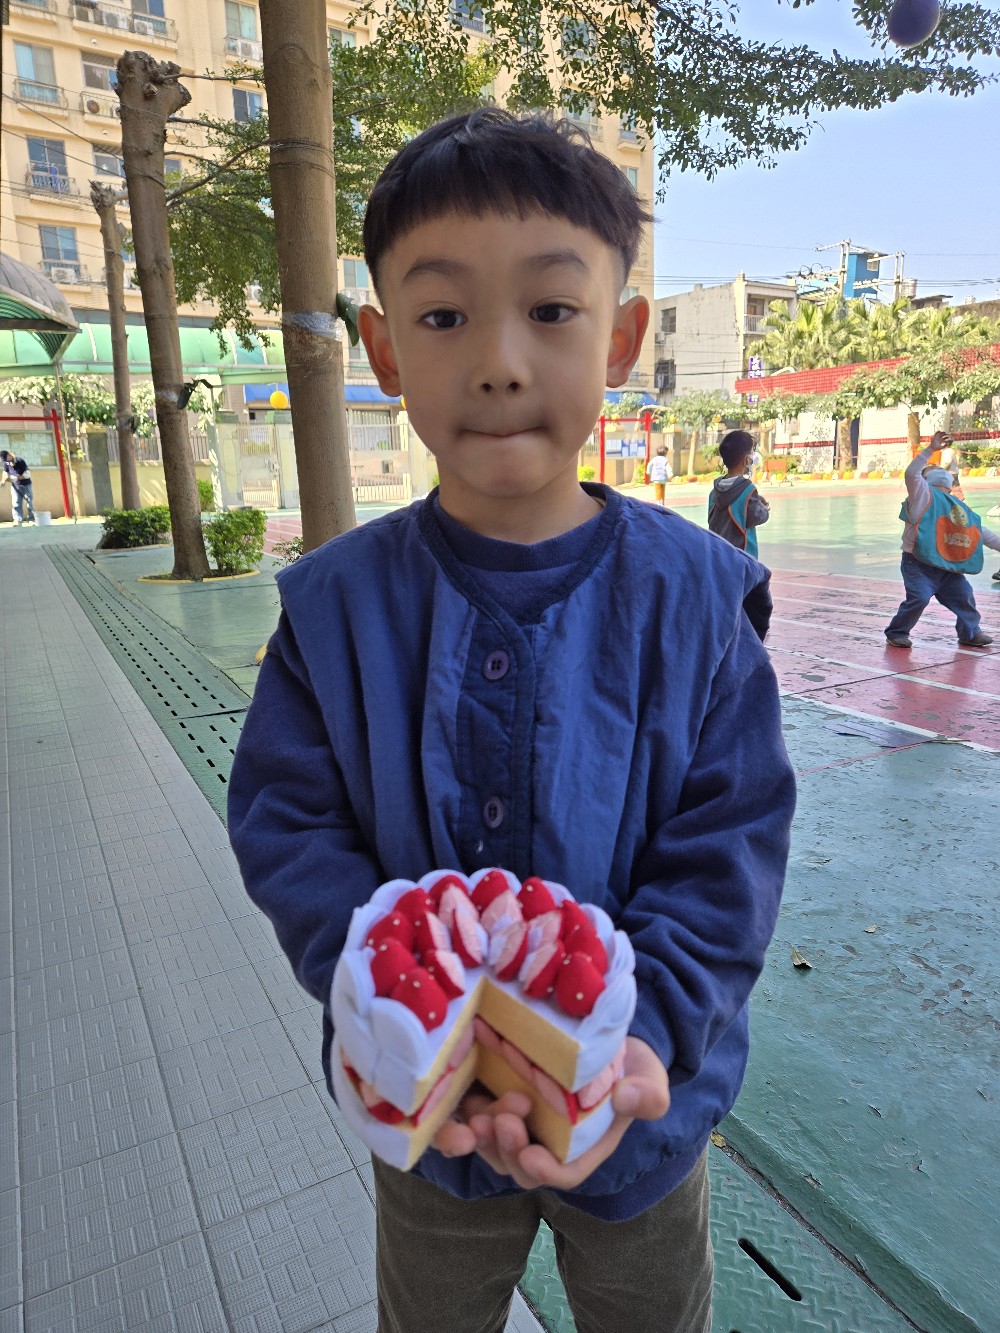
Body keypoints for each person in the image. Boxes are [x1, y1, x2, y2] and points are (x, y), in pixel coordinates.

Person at [227, 109, 796, 1333]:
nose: (497, 360)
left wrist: (640, 1034)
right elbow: (288, 824)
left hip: (640, 1126)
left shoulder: (697, 602)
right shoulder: (332, 609)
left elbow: (731, 841)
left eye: (549, 309)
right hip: (430, 1130)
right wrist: (399, 999)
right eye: (443, 316)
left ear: (622, 338)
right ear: (383, 348)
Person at [884, 431, 998, 649]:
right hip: (919, 562)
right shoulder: (922, 496)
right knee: (920, 597)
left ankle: (970, 632)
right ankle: (897, 632)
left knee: (964, 596)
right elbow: (912, 474)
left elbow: (977, 531)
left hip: (947, 564)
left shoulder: (956, 507)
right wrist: (930, 450)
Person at [708, 429, 770, 557]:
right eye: (752, 452)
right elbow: (757, 516)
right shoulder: (748, 490)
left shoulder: (714, 492)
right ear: (746, 460)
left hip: (719, 555)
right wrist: (764, 509)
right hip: (742, 558)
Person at [0, 450, 35, 524]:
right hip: (15, 486)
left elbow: (27, 474)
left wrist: (17, 478)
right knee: (16, 503)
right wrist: (3, 481)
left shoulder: (20, 461)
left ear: (9, 455)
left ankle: (31, 519)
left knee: (29, 502)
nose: (6, 461)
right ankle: (18, 520)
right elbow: (5, 472)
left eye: (6, 458)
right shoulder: (6, 462)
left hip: (26, 485)